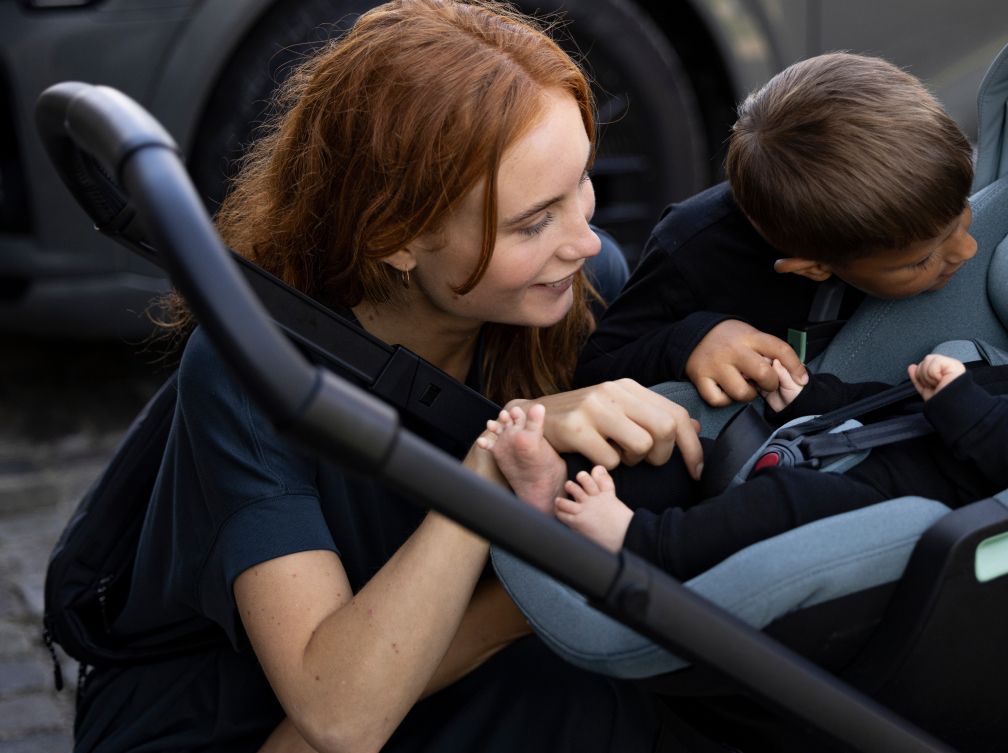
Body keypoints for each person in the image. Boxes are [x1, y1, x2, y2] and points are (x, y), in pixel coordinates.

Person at [72, 2, 703, 752]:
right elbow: (338, 713)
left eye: (582, 183)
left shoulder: (577, 284)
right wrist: (498, 473)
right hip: (229, 714)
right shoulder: (250, 368)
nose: (584, 237)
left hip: (437, 673)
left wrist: (702, 337)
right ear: (395, 238)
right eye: (533, 222)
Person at [484, 233, 1008, 579]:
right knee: (698, 437)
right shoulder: (1000, 372)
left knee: (778, 504)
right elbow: (886, 404)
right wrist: (812, 395)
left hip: (879, 507)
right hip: (833, 444)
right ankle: (551, 485)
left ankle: (641, 543)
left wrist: (961, 403)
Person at [574, 52, 978, 406]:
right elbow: (594, 371)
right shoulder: (692, 250)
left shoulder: (916, 202)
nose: (967, 250)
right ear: (812, 269)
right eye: (923, 258)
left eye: (961, 213)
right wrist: (691, 340)